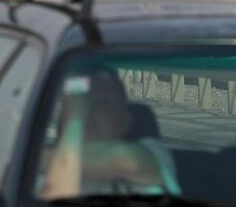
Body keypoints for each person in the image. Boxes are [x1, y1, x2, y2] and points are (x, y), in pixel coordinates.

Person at [37, 70, 179, 199]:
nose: (87, 111)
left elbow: (126, 159)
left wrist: (36, 159)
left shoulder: (152, 152)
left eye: (102, 102)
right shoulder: (32, 177)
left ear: (125, 121)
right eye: (81, 103)